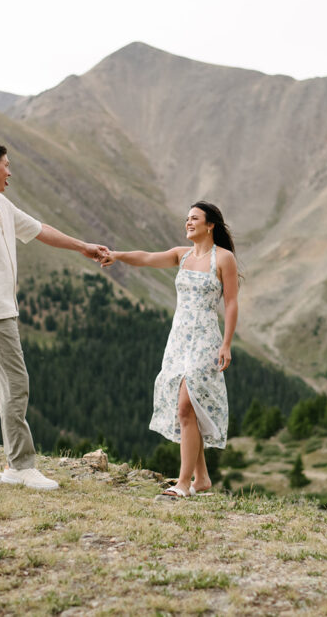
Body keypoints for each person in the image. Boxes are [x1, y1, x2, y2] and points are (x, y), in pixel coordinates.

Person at [0, 141, 108, 490]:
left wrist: (84, 247)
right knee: (15, 387)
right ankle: (19, 465)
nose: (10, 171)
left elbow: (39, 230)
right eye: (6, 165)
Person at [101, 202, 239, 497]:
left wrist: (226, 343)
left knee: (186, 406)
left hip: (205, 340)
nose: (188, 223)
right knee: (189, 411)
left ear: (210, 224)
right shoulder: (182, 255)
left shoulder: (224, 259)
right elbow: (148, 258)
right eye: (187, 219)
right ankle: (201, 479)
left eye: (194, 219)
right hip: (178, 339)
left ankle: (183, 483)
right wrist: (117, 255)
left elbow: (231, 303)